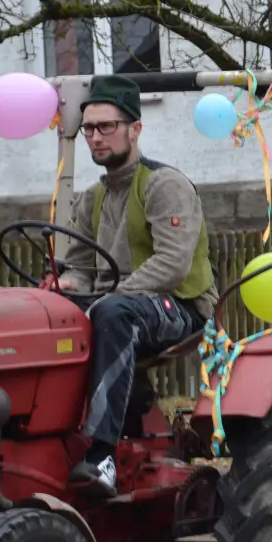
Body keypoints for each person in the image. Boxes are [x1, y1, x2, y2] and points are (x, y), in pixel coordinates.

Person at [56, 76, 218, 499]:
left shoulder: (165, 185)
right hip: (118, 305)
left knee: (113, 314)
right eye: (89, 128)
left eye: (106, 127)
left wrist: (108, 298)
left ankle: (103, 455)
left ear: (135, 129)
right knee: (50, 313)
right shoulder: (91, 198)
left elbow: (171, 265)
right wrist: (65, 289)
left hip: (179, 306)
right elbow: (77, 268)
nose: (95, 137)